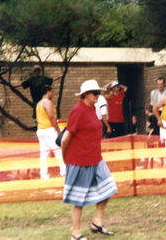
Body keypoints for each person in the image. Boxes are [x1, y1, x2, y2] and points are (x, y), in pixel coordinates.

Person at [61, 80, 118, 240]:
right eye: (95, 93)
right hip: (79, 159)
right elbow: (66, 139)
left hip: (95, 158)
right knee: (78, 198)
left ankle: (97, 222)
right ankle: (76, 233)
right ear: (85, 94)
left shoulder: (93, 108)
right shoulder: (78, 110)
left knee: (109, 186)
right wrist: (66, 159)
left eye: (99, 92)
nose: (98, 95)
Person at [36, 85, 66, 179]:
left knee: (44, 153)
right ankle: (64, 172)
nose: (52, 94)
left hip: (40, 129)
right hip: (49, 129)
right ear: (48, 91)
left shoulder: (39, 104)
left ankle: (43, 174)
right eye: (52, 92)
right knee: (59, 151)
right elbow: (51, 117)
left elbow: (38, 119)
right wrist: (58, 131)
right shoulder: (48, 102)